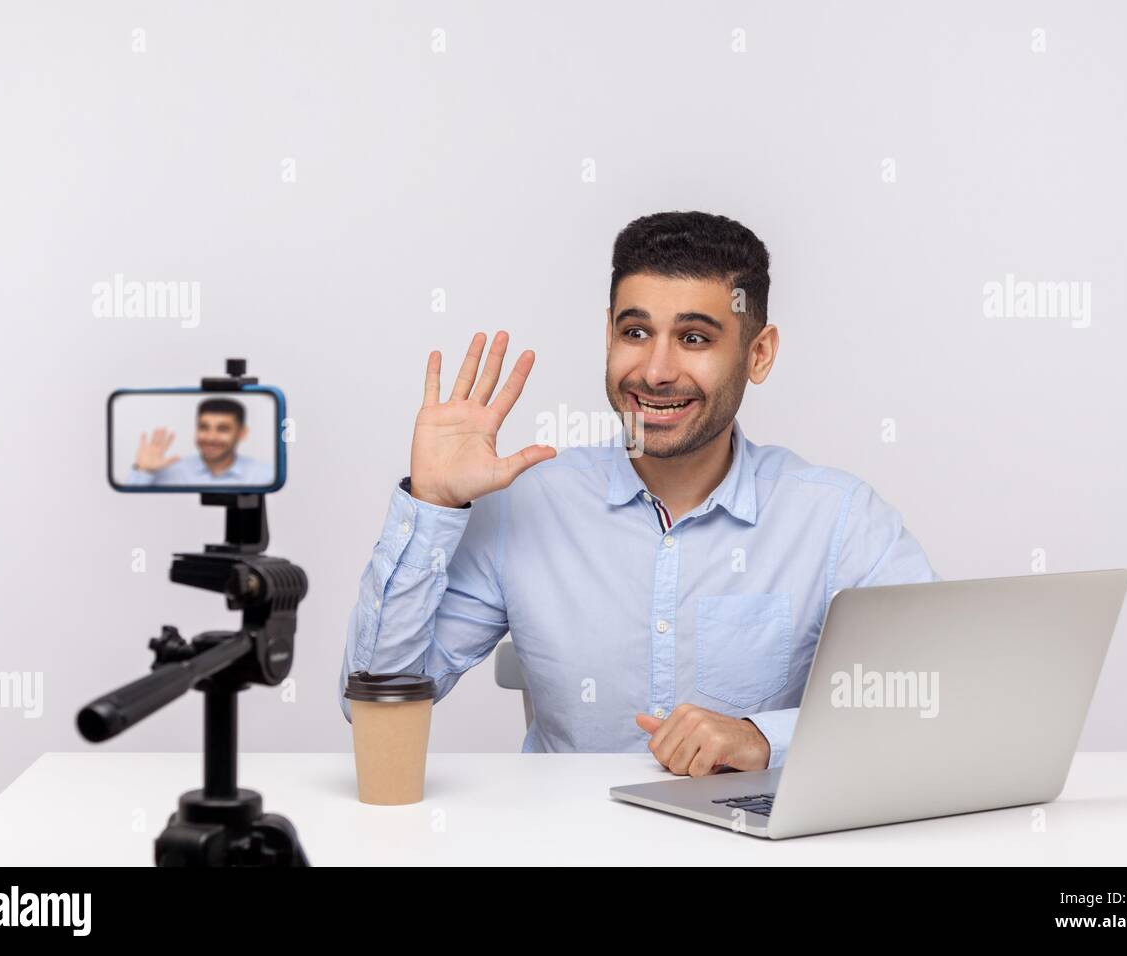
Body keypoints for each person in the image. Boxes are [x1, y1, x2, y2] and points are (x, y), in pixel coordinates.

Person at [339, 211, 939, 777]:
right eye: (636, 331)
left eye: (695, 339)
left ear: (758, 354)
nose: (654, 371)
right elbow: (375, 694)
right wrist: (433, 504)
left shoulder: (837, 519)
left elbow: (931, 701)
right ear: (608, 335)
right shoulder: (527, 505)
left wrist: (764, 738)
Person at [125, 398, 273, 487]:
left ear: (242, 433)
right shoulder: (168, 472)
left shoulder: (265, 475)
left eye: (222, 429)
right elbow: (127, 511)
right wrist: (142, 470)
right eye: (204, 427)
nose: (210, 437)